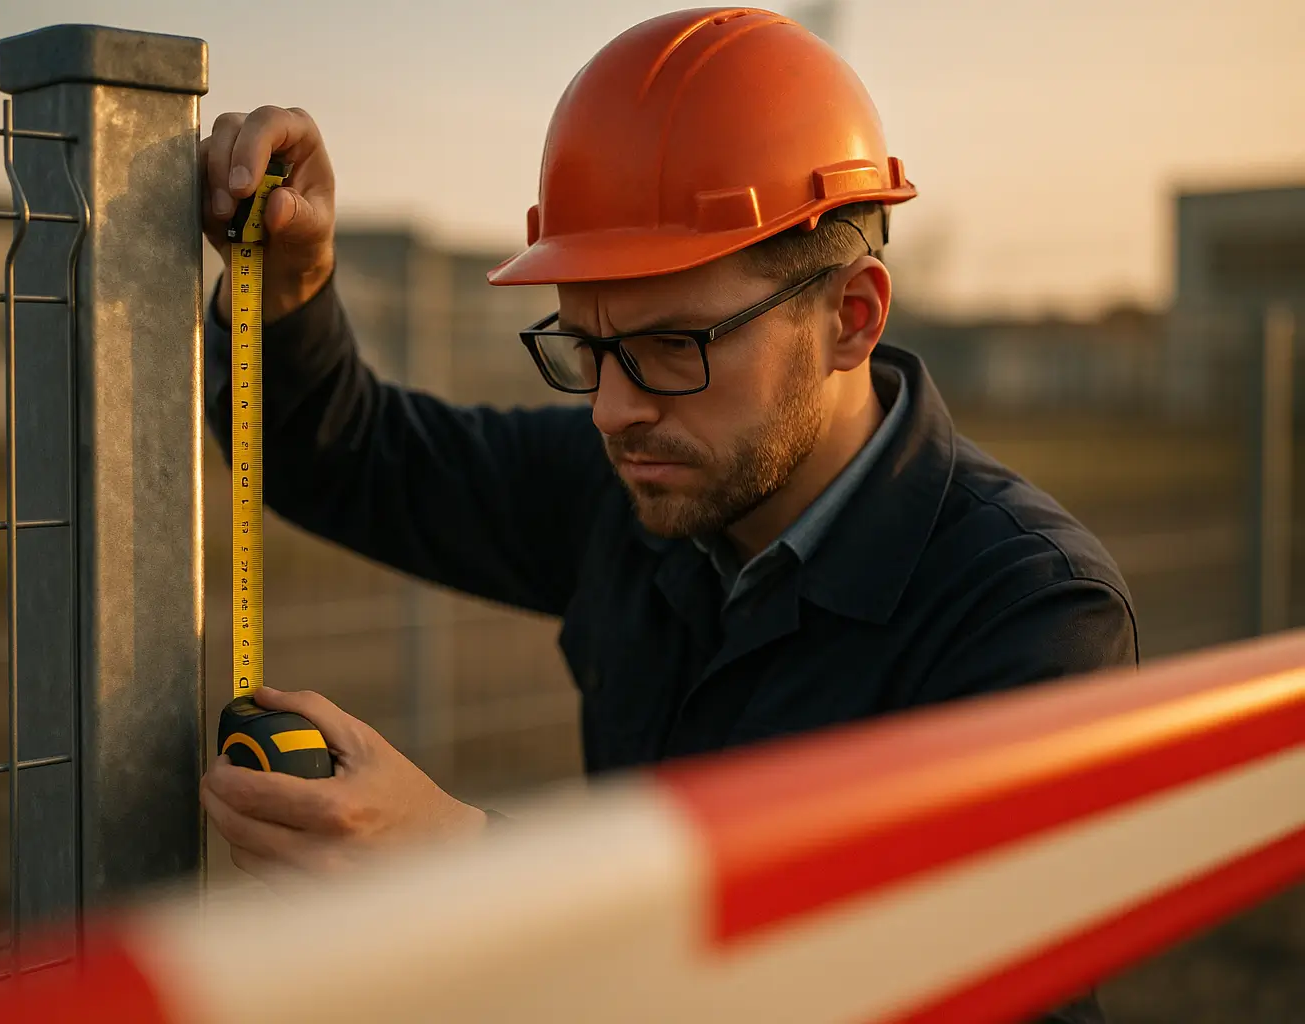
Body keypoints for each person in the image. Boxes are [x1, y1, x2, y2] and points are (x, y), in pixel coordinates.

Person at [197, 10, 1131, 1022]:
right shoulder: (646, 479)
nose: (609, 408)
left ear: (851, 316)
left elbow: (937, 990)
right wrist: (286, 283)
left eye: (675, 344)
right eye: (587, 346)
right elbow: (354, 461)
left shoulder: (1025, 614)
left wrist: (460, 869)